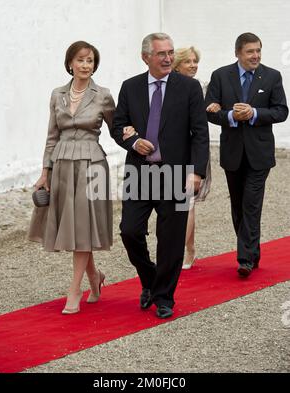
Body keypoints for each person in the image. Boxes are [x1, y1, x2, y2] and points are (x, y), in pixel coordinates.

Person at [111, 33, 209, 318]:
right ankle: (150, 280)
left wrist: (197, 172)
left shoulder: (189, 88)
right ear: (146, 58)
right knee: (129, 231)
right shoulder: (130, 87)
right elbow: (119, 126)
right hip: (140, 174)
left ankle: (164, 297)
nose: (167, 58)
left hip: (177, 173)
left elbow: (200, 133)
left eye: (170, 52)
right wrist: (132, 142)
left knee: (171, 239)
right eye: (161, 54)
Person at [28, 41, 115, 313]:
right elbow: (51, 136)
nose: (86, 65)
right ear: (70, 64)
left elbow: (119, 128)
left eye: (90, 61)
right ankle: (94, 277)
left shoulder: (103, 95)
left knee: (83, 227)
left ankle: (74, 290)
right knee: (77, 228)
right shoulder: (57, 95)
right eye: (81, 60)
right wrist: (45, 173)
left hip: (92, 165)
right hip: (63, 165)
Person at [205, 32, 288, 277]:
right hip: (232, 153)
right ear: (238, 53)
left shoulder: (272, 76)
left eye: (259, 51)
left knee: (251, 205)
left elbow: (281, 111)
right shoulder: (220, 76)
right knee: (238, 207)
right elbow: (209, 111)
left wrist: (253, 113)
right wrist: (230, 115)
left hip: (259, 154)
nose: (256, 56)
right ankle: (253, 251)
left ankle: (244, 260)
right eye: (250, 51)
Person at [172, 47, 220, 269]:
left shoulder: (202, 88)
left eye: (195, 61)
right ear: (177, 64)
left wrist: (215, 106)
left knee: (186, 203)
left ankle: (181, 253)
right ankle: (188, 249)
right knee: (178, 204)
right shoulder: (167, 86)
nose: (193, 65)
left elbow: (216, 106)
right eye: (188, 61)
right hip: (171, 151)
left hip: (194, 150)